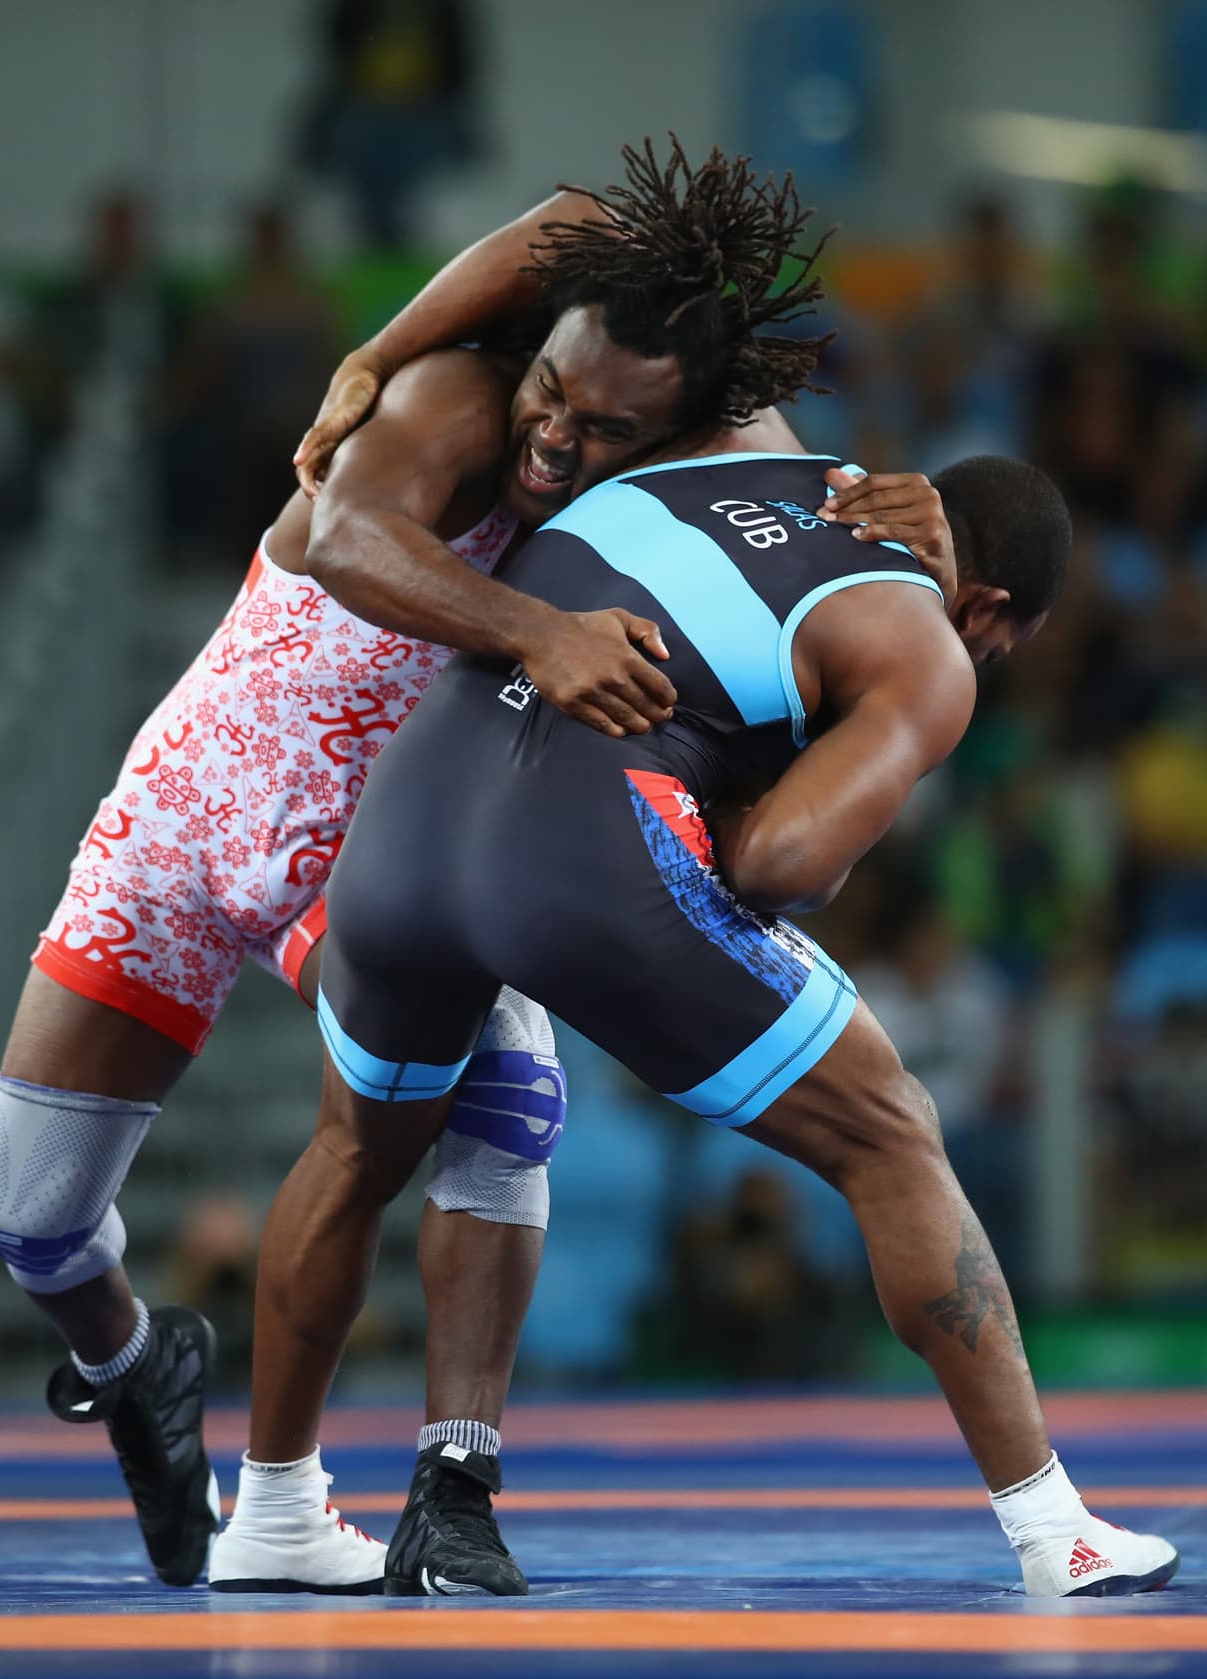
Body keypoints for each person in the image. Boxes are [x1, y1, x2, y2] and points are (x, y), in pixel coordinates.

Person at [0, 150, 952, 1595]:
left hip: (369, 864)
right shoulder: (449, 398)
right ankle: (138, 1367)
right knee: (34, 1219)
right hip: (186, 821)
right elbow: (363, 536)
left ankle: (441, 1488)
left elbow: (795, 484)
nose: (559, 438)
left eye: (609, 426)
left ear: (674, 428)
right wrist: (399, 396)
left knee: (506, 1102)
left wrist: (908, 515)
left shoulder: (664, 461)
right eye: (554, 392)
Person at [226, 142, 1179, 1601]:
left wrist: (380, 348)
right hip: (585, 847)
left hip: (407, 822)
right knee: (888, 1131)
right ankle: (1059, 1527)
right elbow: (787, 856)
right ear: (992, 605)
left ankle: (272, 1510)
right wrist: (773, 825)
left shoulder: (744, 442)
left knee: (354, 1153)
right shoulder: (931, 643)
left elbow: (570, 224)